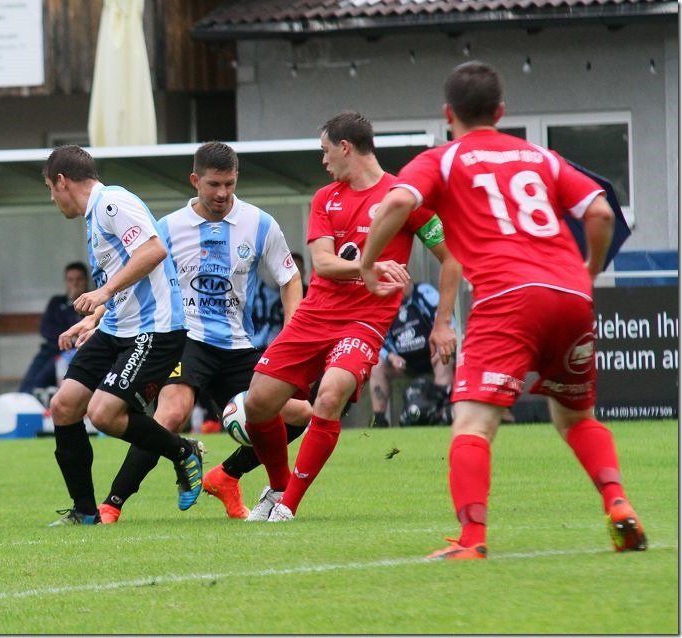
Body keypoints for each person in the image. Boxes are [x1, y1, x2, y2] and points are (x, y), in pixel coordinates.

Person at [361, 61, 646, 559]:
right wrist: (589, 271)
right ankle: (618, 503)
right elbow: (602, 211)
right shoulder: (541, 157)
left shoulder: (444, 159)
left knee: (473, 425)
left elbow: (397, 203)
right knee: (576, 418)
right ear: (501, 112)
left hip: (507, 297)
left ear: (448, 113)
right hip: (570, 295)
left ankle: (471, 540)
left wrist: (368, 263)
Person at [240, 111, 462, 523]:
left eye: (326, 151)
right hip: (314, 315)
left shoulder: (403, 198)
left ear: (345, 147)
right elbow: (323, 264)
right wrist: (369, 267)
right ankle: (277, 486)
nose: (323, 160)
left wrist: (443, 323)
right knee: (257, 404)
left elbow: (452, 259)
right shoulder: (326, 198)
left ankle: (288, 506)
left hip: (364, 322)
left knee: (329, 396)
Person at [96, 142, 312, 523]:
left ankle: (226, 476)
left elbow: (290, 277)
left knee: (299, 414)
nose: (222, 193)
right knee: (172, 412)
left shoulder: (260, 223)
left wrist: (291, 331)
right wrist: (98, 319)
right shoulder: (167, 228)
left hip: (237, 344)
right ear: (195, 180)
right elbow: (135, 279)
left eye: (229, 184)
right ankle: (112, 504)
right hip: (186, 339)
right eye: (214, 184)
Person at [42, 145, 204, 526]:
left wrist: (103, 293)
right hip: (116, 327)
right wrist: (94, 319)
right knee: (64, 406)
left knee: (103, 414)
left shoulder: (112, 203)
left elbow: (153, 251)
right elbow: (126, 276)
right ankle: (85, 513)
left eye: (50, 188)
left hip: (154, 329)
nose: (52, 198)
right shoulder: (95, 215)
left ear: (62, 181)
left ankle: (183, 452)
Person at [370, 278, 455, 427]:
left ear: (406, 281)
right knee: (376, 366)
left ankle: (440, 413)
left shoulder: (424, 293)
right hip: (404, 363)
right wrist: (391, 356)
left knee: (444, 359)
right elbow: (377, 337)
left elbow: (447, 322)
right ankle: (379, 421)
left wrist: (439, 345)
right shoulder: (386, 304)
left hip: (432, 356)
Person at [19, 262, 88, 395]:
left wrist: (75, 304)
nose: (75, 284)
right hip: (52, 348)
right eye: (70, 280)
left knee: (43, 378)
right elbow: (45, 329)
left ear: (86, 281)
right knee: (29, 381)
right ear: (66, 282)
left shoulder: (92, 302)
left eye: (79, 279)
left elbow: (83, 326)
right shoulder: (57, 302)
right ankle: (25, 398)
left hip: (74, 351)